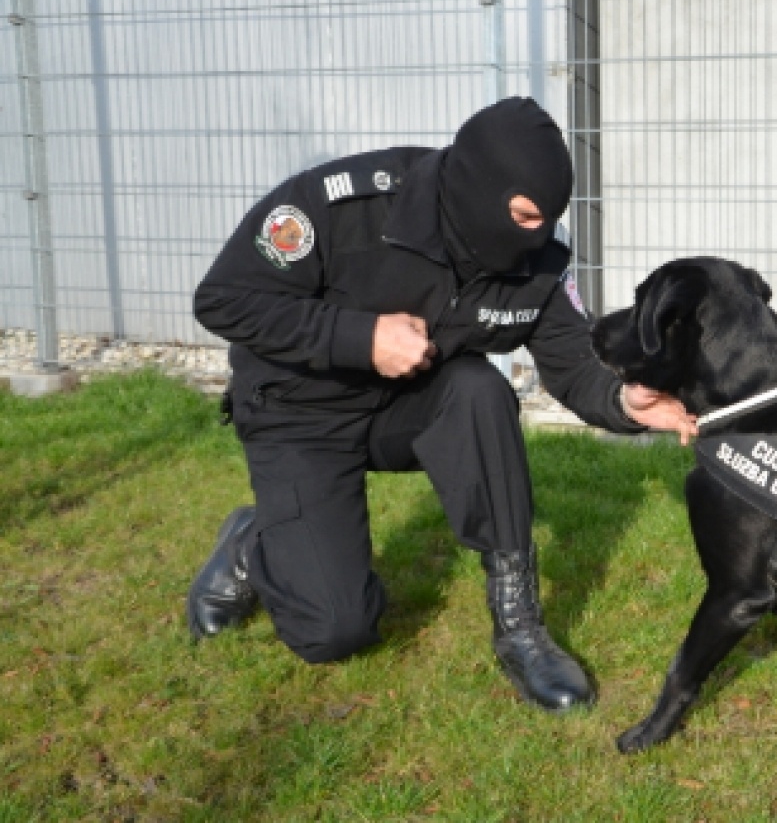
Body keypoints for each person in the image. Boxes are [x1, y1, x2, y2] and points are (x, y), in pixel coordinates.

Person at [187, 97, 694, 712]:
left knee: (479, 389)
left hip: (404, 408)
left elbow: (570, 362)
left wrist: (622, 401)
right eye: (524, 215)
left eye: (547, 218)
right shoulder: (342, 206)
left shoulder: (537, 258)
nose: (535, 233)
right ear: (479, 188)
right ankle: (253, 540)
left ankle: (520, 627)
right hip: (300, 413)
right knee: (336, 630)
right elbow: (223, 299)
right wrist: (360, 336)